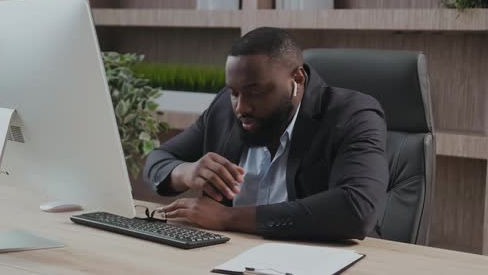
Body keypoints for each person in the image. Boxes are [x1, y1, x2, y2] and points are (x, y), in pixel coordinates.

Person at [143, 27, 389, 240]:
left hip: (324, 260)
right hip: (232, 253)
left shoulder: (353, 115)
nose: (241, 107)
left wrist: (229, 218)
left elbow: (356, 210)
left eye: (255, 91)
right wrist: (186, 172)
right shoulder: (225, 109)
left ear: (297, 78)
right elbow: (159, 159)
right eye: (234, 92)